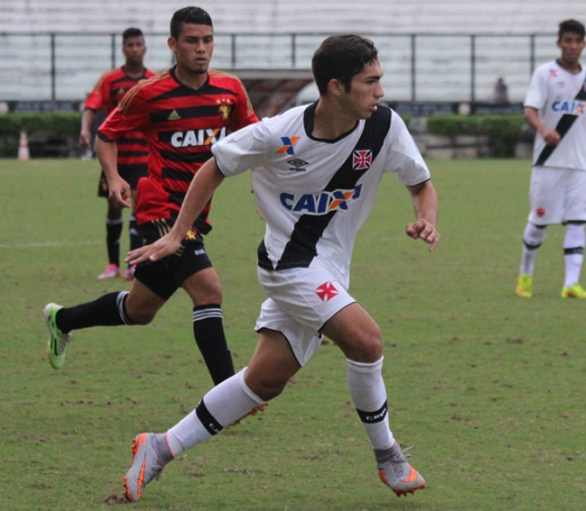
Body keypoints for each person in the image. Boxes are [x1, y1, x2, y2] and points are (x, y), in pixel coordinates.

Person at [120, 34, 439, 502]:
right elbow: (214, 166)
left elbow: (420, 183)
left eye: (380, 80)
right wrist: (175, 235)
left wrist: (426, 219)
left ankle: (160, 447)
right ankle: (387, 454)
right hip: (289, 264)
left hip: (330, 268)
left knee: (264, 381)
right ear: (336, 87)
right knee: (367, 341)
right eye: (370, 82)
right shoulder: (278, 133)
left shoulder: (384, 126)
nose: (380, 91)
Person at [43, 6, 258, 387]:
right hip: (160, 208)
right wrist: (114, 178)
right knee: (208, 290)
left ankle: (62, 320)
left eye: (207, 40)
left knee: (139, 310)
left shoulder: (229, 90)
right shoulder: (149, 93)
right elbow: (106, 135)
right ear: (173, 44)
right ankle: (230, 396)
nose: (201, 48)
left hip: (196, 211)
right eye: (192, 41)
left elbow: (256, 139)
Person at [515, 19, 586, 299]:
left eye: (577, 41)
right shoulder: (545, 73)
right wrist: (543, 129)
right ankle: (525, 276)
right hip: (549, 162)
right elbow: (529, 109)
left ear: (584, 44)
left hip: (580, 164)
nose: (573, 46)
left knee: (578, 221)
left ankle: (571, 284)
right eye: (568, 40)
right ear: (559, 43)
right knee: (539, 222)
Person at [81, 28, 157, 281]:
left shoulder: (153, 80)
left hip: (143, 157)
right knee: (114, 210)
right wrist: (85, 130)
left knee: (137, 207)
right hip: (113, 159)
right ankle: (113, 264)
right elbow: (91, 106)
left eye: (138, 44)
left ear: (144, 48)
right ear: (123, 49)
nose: (134, 49)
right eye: (130, 45)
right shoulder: (110, 79)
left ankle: (133, 265)